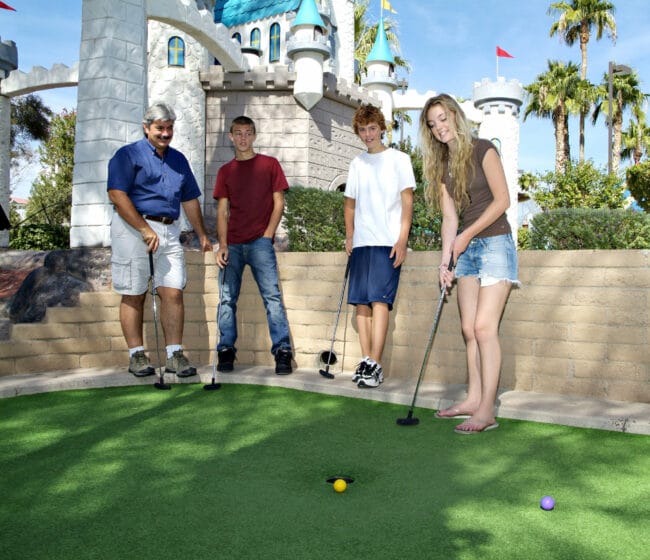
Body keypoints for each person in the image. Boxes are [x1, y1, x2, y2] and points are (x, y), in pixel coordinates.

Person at [419, 94, 519, 434]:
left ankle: (488, 409)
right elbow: (450, 219)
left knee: (483, 328)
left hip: (494, 244)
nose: (439, 128)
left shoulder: (483, 148)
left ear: (455, 115)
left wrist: (465, 236)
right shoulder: (444, 167)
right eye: (432, 125)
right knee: (468, 330)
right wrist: (445, 260)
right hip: (467, 251)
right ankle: (473, 398)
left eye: (442, 119)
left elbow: (503, 200)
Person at [108, 102, 212, 378]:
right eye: (160, 129)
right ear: (146, 128)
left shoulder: (178, 160)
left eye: (169, 129)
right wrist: (143, 229)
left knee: (173, 291)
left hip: (169, 229)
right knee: (133, 292)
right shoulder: (127, 155)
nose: (165, 134)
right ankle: (136, 356)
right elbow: (117, 195)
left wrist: (202, 234)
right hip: (133, 229)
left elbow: (189, 199)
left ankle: (174, 355)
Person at [213, 116, 293, 375]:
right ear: (231, 137)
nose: (243, 138)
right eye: (238, 133)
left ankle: (282, 352)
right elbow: (222, 210)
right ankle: (225, 351)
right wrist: (222, 244)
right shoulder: (225, 171)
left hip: (260, 242)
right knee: (226, 300)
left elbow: (278, 202)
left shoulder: (269, 165)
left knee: (272, 298)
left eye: (248, 133)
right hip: (232, 245)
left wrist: (268, 235)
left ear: (255, 135)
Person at [344, 104, 415, 388]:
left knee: (379, 301)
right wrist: (350, 236)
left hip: (387, 241)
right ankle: (366, 361)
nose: (368, 134)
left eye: (372, 128)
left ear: (382, 128)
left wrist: (402, 239)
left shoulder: (400, 159)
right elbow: (349, 205)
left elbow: (408, 202)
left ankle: (376, 363)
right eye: (363, 130)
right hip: (362, 242)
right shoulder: (356, 164)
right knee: (361, 305)